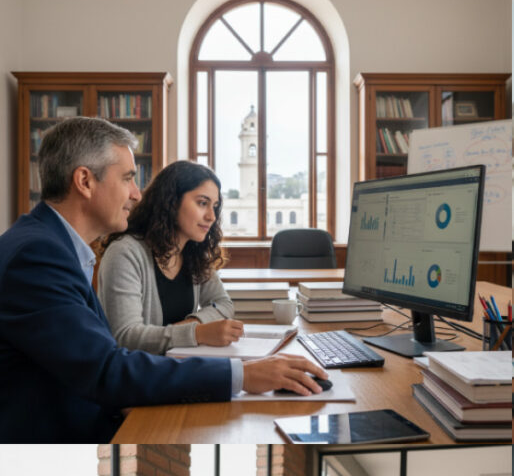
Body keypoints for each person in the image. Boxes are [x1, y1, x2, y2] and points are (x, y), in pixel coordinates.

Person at [0, 117, 326, 443]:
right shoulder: (39, 255)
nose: (136, 194)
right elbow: (106, 368)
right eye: (127, 178)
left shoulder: (53, 245)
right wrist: (243, 374)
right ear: (85, 181)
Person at [96, 159, 244, 354]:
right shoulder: (125, 253)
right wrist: (197, 333)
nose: (212, 216)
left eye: (214, 206)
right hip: (140, 377)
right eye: (202, 203)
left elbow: (223, 304)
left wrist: (192, 324)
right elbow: (126, 336)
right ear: (171, 202)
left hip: (177, 368)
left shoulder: (195, 251)